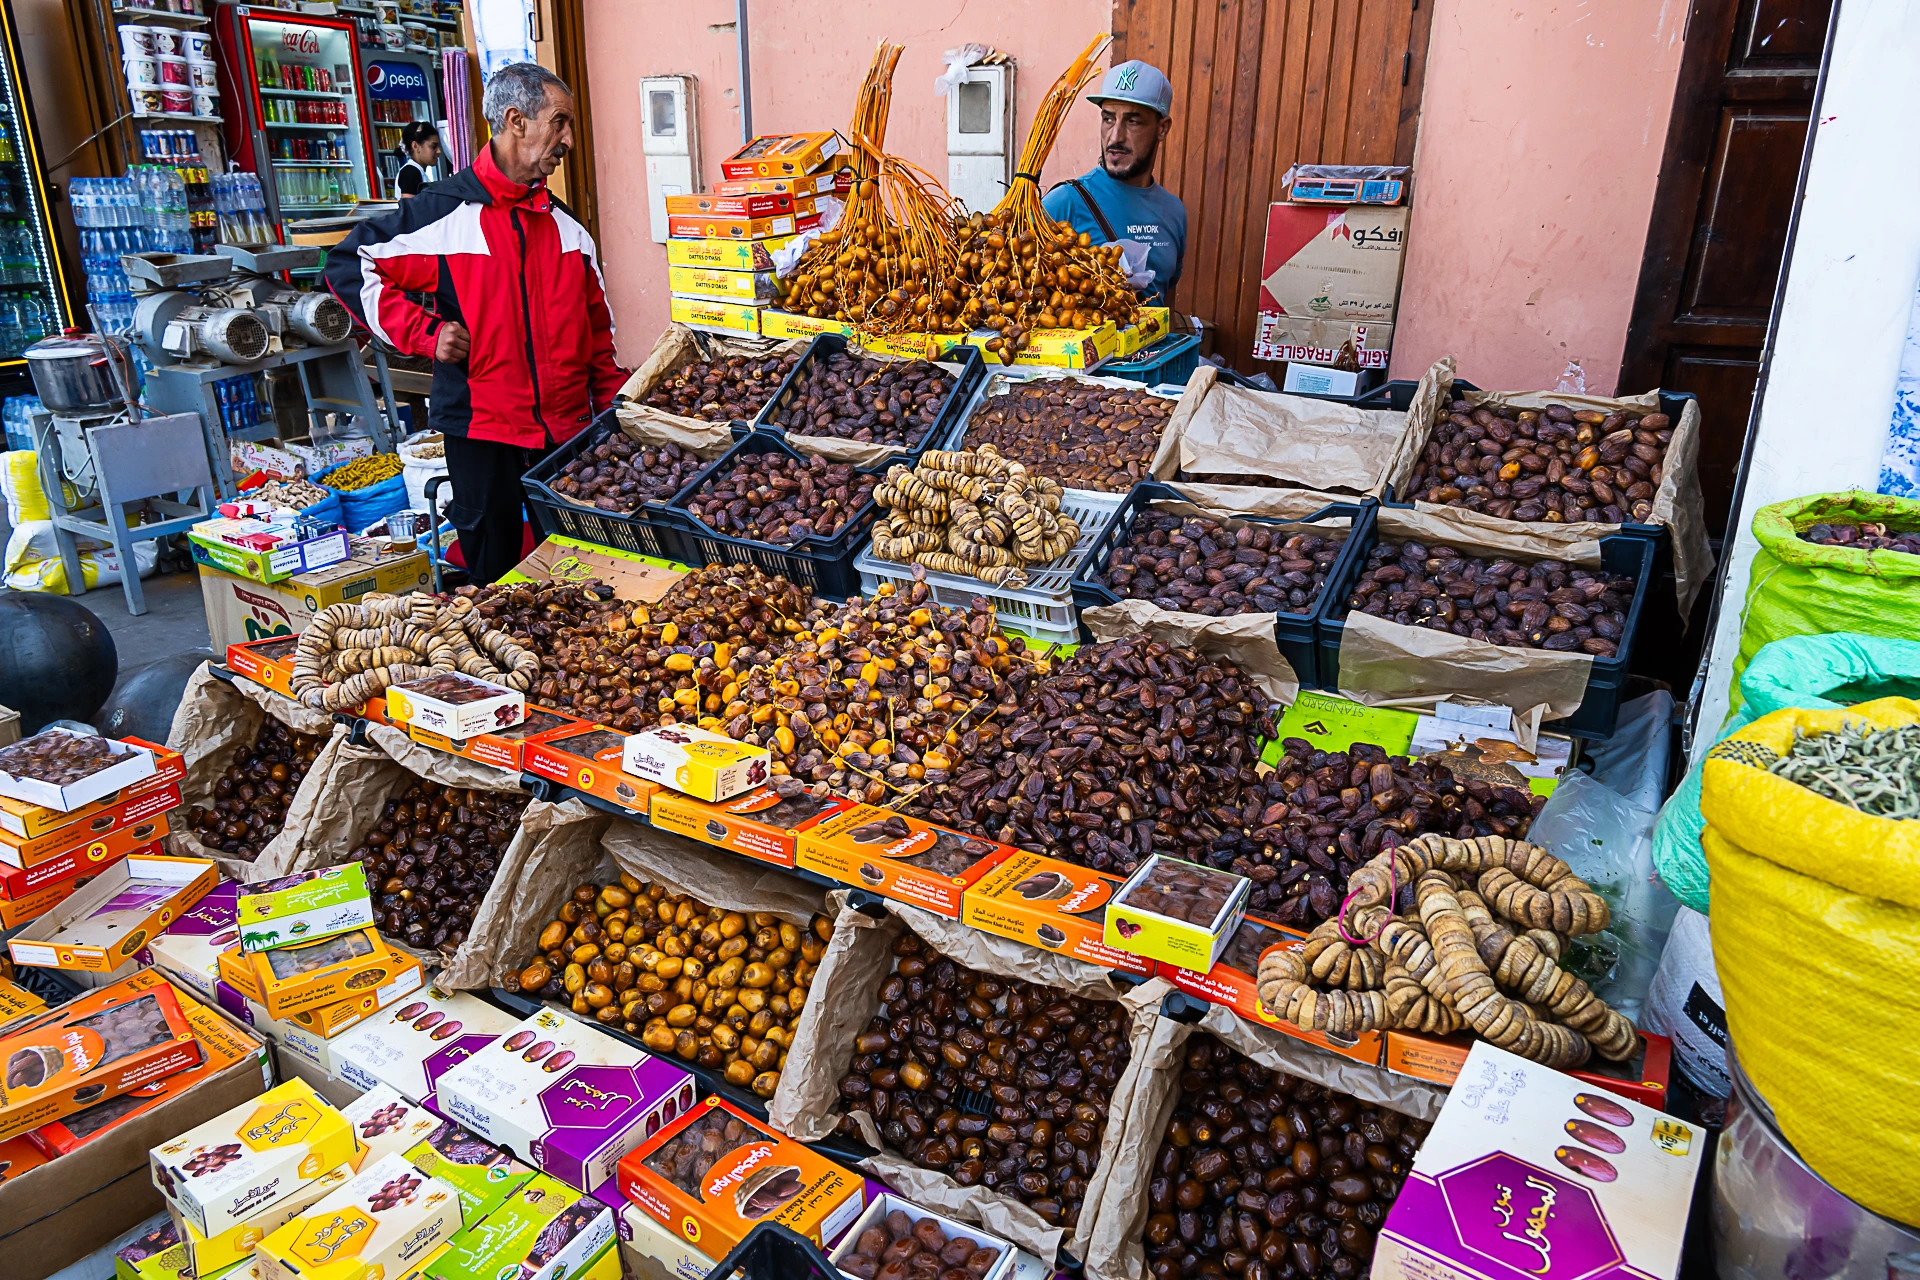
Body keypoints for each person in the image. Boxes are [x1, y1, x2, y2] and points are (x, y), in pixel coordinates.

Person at [325, 62, 625, 586]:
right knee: (495, 583)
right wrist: (426, 333)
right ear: (516, 121)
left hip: (567, 436)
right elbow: (351, 263)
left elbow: (600, 345)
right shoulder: (443, 215)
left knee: (585, 582)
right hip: (484, 433)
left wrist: (615, 424)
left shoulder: (572, 234)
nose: (568, 140)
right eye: (559, 123)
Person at [1041, 59, 1187, 305]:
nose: (1115, 137)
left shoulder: (1174, 212)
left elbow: (1162, 301)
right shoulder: (1065, 202)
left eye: (1133, 121)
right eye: (1108, 119)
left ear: (1162, 129)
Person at [393, 121, 441, 198]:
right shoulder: (411, 172)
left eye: (439, 147)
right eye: (433, 146)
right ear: (415, 146)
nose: (439, 151)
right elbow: (410, 208)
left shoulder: (416, 171)